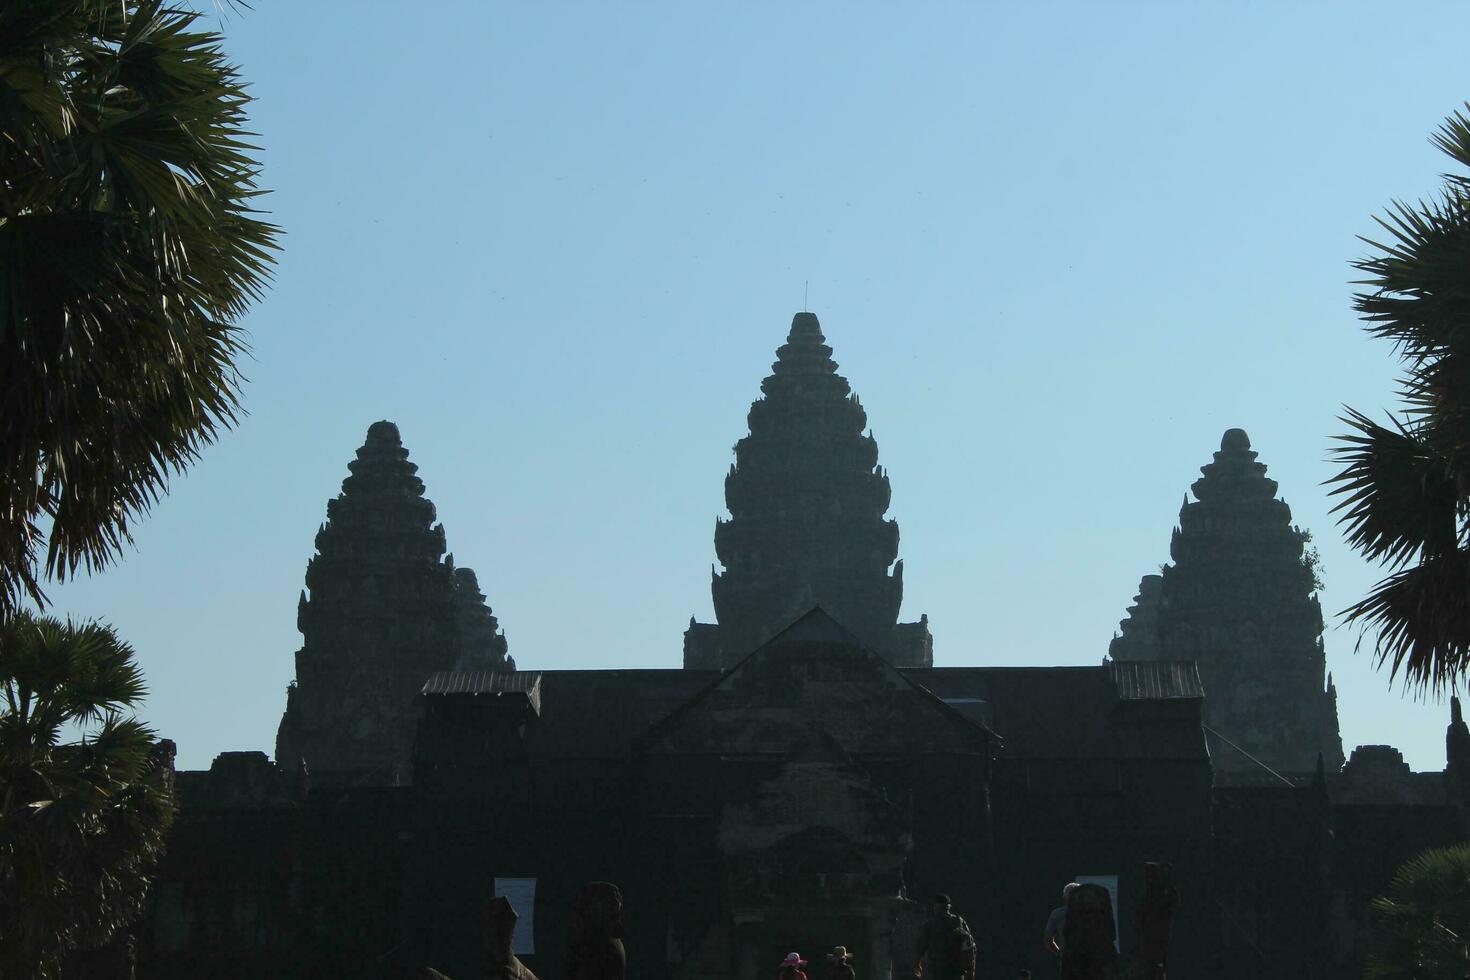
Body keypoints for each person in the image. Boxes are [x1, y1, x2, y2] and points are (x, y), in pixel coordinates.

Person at [912, 894, 977, 979]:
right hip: (957, 970)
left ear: (935, 907)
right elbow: (969, 943)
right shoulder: (959, 921)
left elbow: (920, 946)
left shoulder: (931, 924)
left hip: (937, 970)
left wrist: (916, 964)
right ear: (949, 907)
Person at [1043, 883, 1079, 959]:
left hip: (1067, 958)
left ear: (1064, 897)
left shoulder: (1057, 914)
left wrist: (1060, 954)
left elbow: (1048, 939)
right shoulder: (1091, 913)